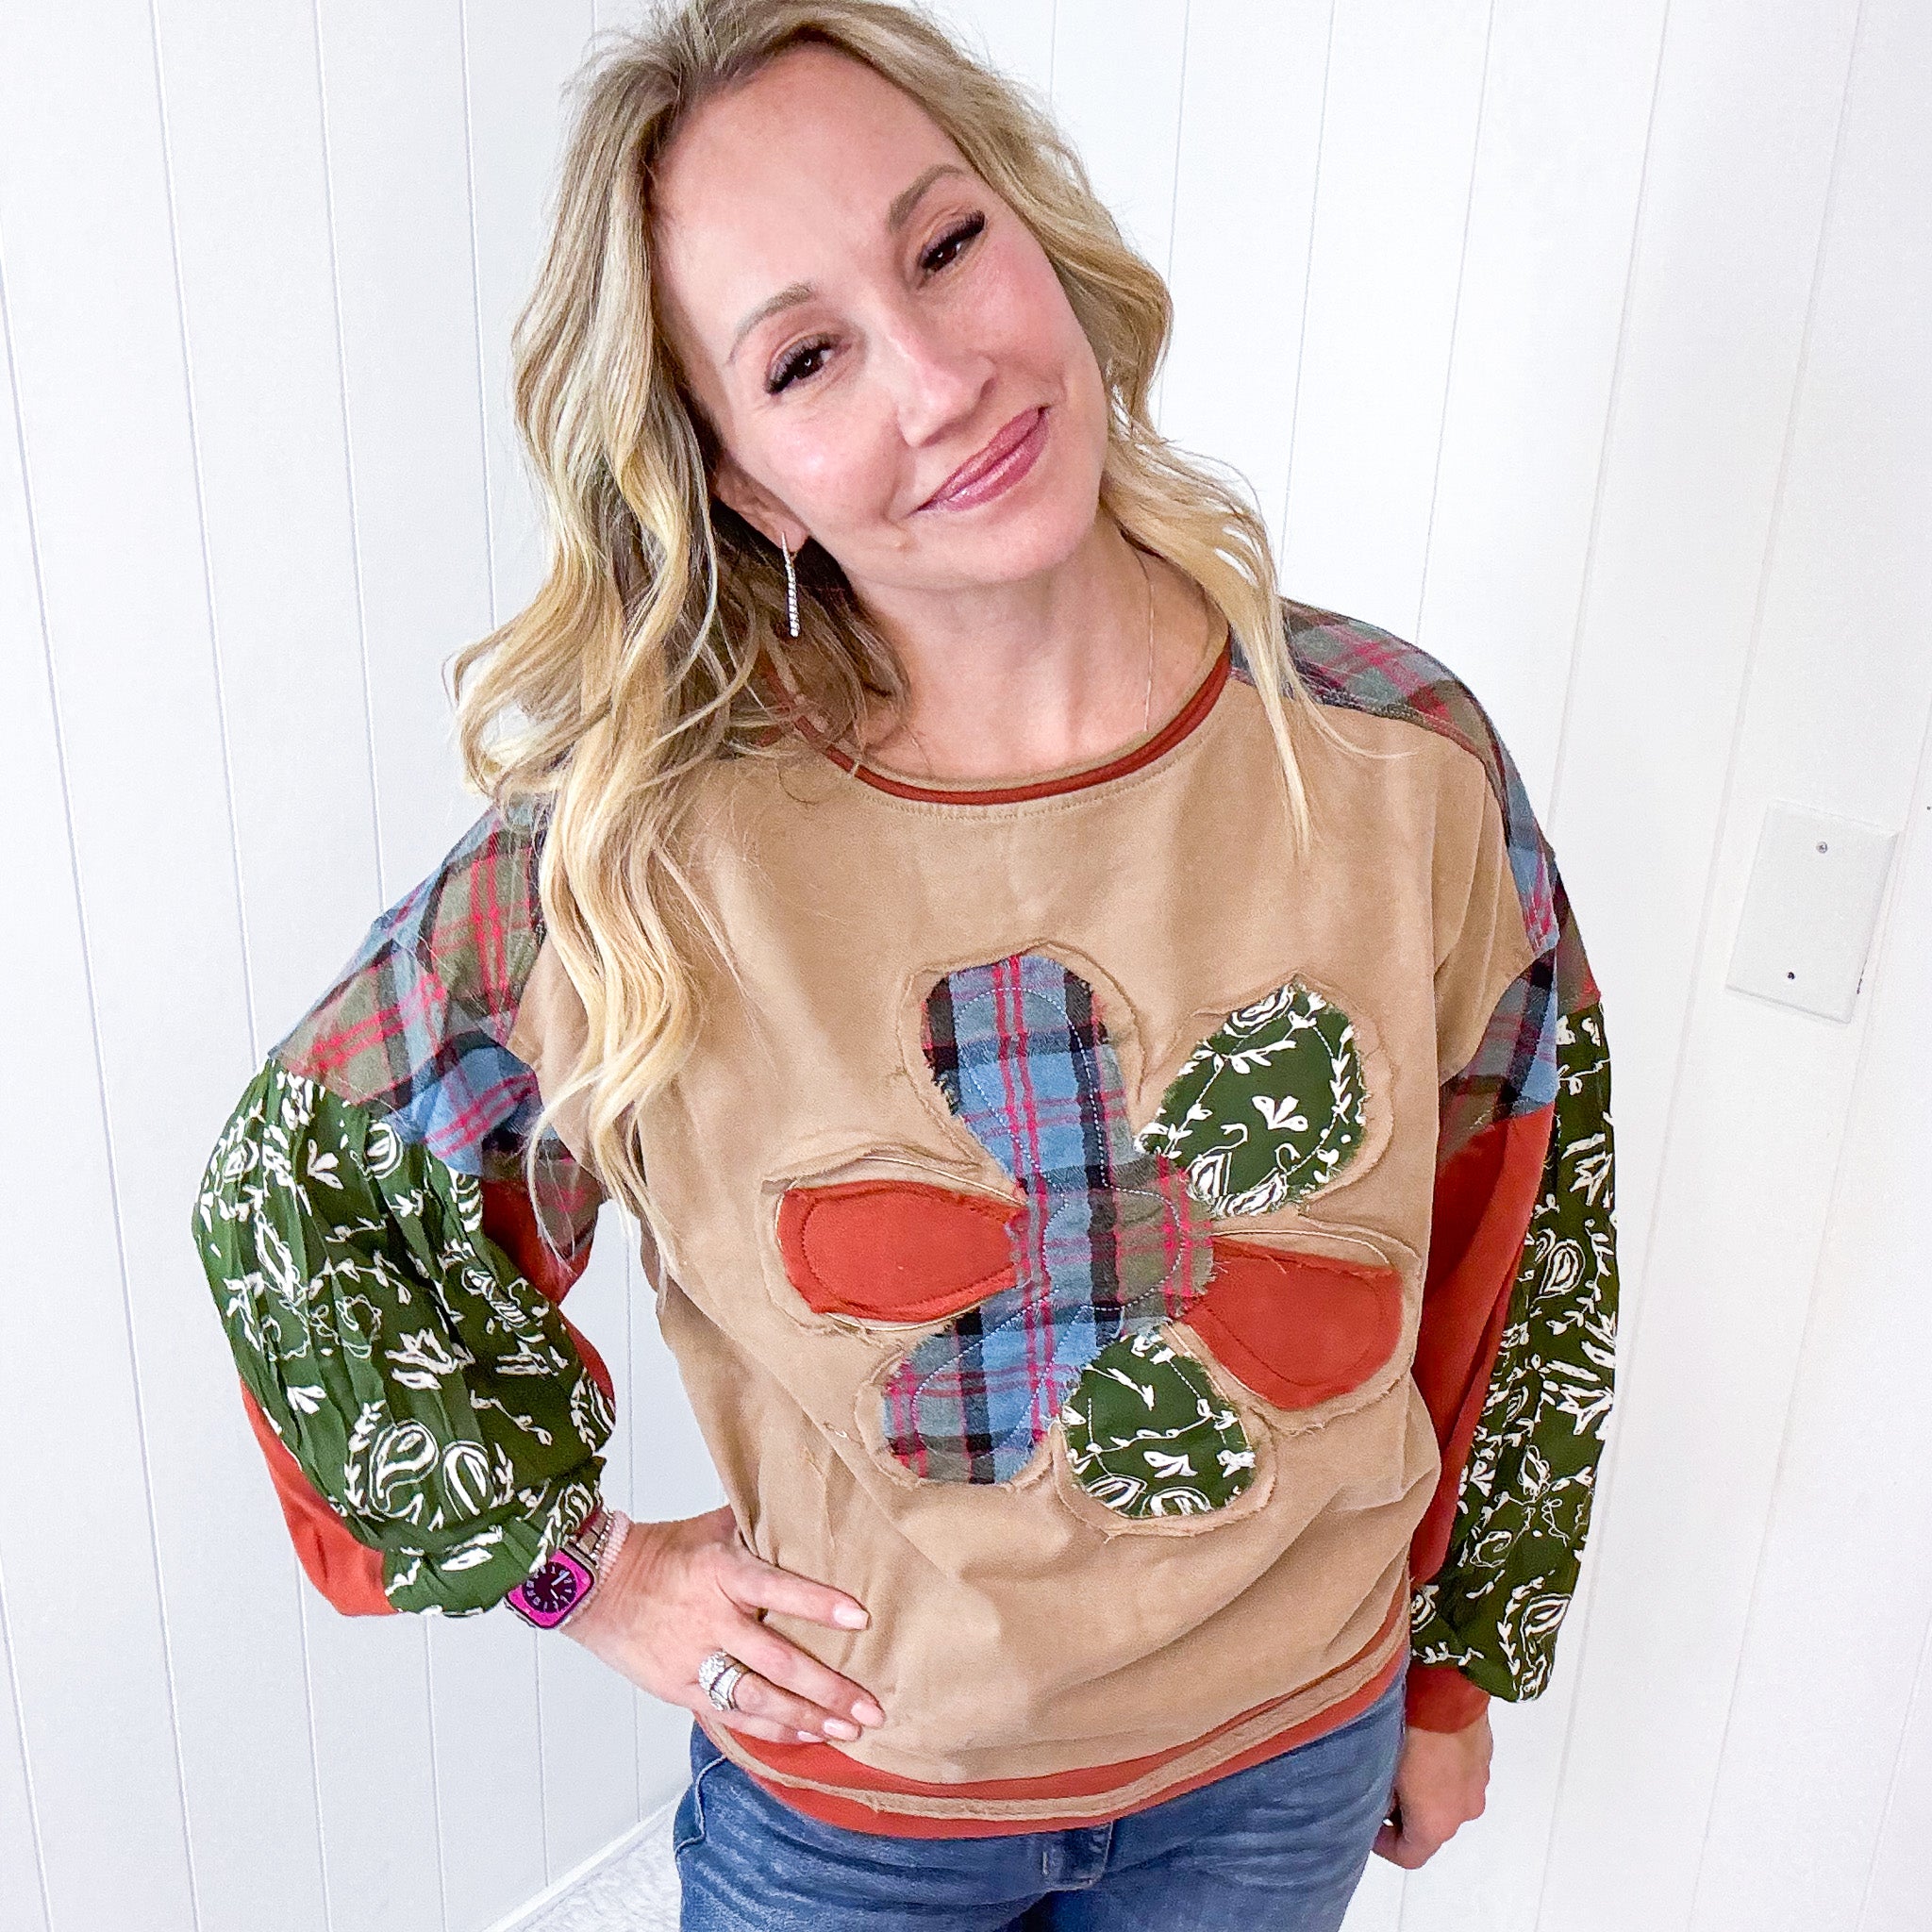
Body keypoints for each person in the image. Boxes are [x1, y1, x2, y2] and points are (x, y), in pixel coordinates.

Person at [191, 3, 1618, 1926]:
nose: (941, 380)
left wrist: (1452, 1677)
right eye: (806, 357)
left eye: (944, 246)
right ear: (743, 480)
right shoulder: (637, 856)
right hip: (859, 1815)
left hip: (1287, 1767)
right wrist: (585, 1572)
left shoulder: (1394, 759)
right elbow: (302, 1195)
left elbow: (1525, 1236)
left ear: (1038, 232)